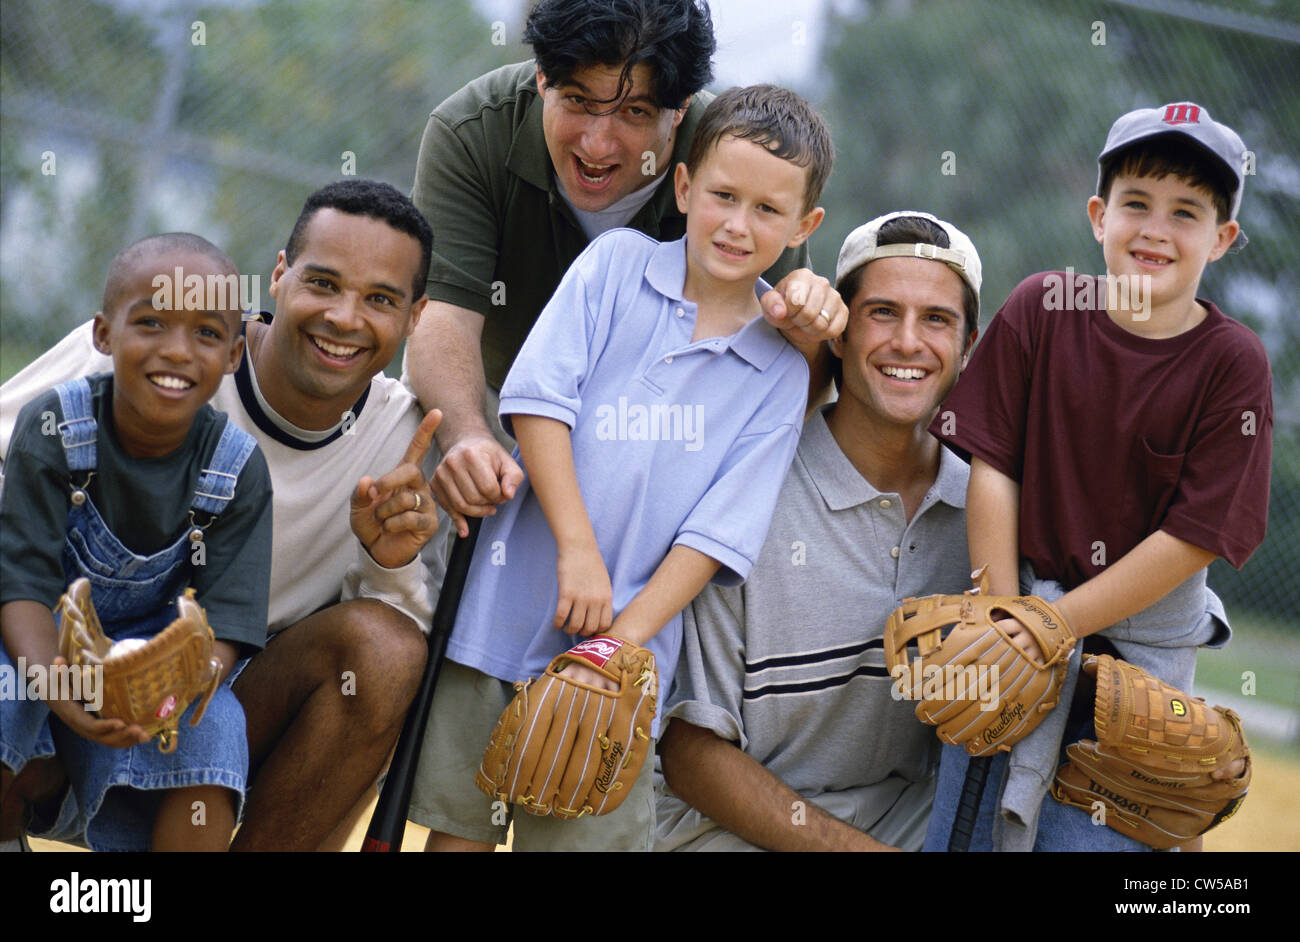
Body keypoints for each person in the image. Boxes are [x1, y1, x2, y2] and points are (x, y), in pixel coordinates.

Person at [410, 83, 832, 852]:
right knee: (456, 836)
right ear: (681, 186)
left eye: (768, 211)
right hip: (503, 610)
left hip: (628, 662)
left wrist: (615, 647)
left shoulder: (781, 370)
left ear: (805, 227)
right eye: (723, 195)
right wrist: (576, 549)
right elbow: (539, 404)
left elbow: (717, 533)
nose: (738, 225)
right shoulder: (614, 265)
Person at [0, 180, 444, 851]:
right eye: (323, 283)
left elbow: (392, 654)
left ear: (416, 317)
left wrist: (389, 560)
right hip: (40, 643)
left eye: (380, 299)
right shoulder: (138, 349)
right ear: (279, 277)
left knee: (384, 654)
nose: (345, 318)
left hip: (207, 690)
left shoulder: (406, 438)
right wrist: (57, 668)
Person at [924, 102, 1271, 852]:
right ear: (1097, 215)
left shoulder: (1230, 362)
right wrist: (1004, 617)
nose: (1155, 228)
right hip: (1009, 638)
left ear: (1223, 238)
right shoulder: (1043, 308)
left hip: (1133, 677)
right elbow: (995, 468)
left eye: (1186, 212)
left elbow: (1192, 538)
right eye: (1136, 202)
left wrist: (1055, 627)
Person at [404, 0, 849, 539]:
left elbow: (792, 384)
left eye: (634, 112)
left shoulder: (739, 158)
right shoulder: (470, 129)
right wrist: (469, 438)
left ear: (681, 107)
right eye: (577, 101)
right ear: (542, 78)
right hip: (498, 417)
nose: (597, 143)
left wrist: (807, 323)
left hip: (673, 458)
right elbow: (440, 319)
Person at [655, 211, 983, 852]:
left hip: (911, 825)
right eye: (883, 312)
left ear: (968, 347)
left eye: (937, 319)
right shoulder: (750, 486)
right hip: (727, 831)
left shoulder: (988, 513)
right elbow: (690, 750)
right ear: (839, 334)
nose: (909, 342)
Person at [0, 234, 272, 851]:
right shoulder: (54, 427)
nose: (176, 351)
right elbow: (21, 584)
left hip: (158, 673)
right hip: (33, 641)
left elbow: (225, 624)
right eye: (150, 322)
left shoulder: (236, 468)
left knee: (216, 727)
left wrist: (171, 687)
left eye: (206, 333)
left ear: (233, 355)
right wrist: (60, 688)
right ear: (103, 334)